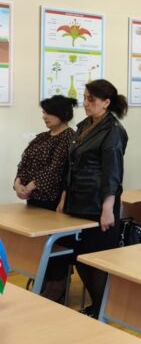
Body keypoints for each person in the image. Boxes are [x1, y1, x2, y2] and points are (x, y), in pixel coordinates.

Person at [57, 79, 129, 317]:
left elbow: (112, 172)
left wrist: (108, 207)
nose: (86, 103)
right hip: (78, 202)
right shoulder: (84, 126)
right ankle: (97, 306)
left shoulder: (113, 130)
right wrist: (64, 197)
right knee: (80, 256)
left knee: (97, 261)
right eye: (85, 98)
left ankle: (101, 309)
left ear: (106, 103)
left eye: (91, 99)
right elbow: (71, 165)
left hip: (99, 205)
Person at [14, 95, 76, 301]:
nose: (44, 116)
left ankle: (57, 286)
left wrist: (29, 187)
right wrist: (18, 183)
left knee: (55, 245)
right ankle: (42, 281)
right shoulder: (41, 137)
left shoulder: (69, 137)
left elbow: (55, 169)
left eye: (48, 113)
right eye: (43, 112)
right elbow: (25, 162)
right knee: (38, 244)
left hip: (53, 201)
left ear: (62, 114)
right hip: (34, 199)